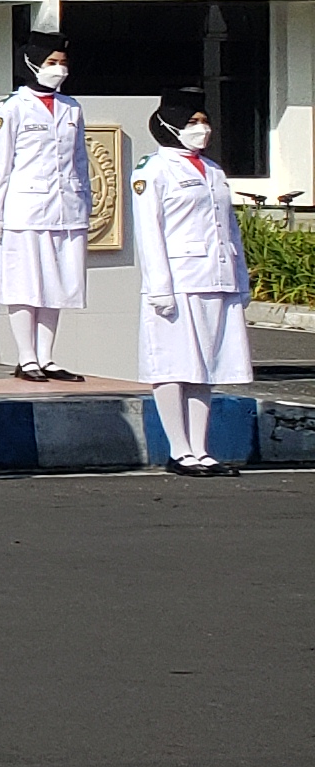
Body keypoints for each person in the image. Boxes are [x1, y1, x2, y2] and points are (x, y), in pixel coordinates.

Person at [131, 89, 248, 477]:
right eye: (193, 123)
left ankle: (201, 448)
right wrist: (159, 286)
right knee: (172, 365)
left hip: (217, 276)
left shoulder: (213, 171)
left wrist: (241, 280)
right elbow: (150, 233)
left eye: (204, 121)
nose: (203, 129)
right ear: (170, 126)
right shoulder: (154, 170)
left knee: (206, 369)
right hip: (178, 281)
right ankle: (179, 450)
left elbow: (229, 229)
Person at [0, 33, 91, 381]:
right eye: (51, 63)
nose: (58, 70)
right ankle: (26, 357)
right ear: (31, 64)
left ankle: (47, 357)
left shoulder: (71, 107)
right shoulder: (12, 108)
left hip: (66, 206)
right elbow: (3, 163)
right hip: (26, 207)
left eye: (62, 63)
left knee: (57, 283)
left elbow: (80, 160)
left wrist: (85, 202)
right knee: (25, 283)